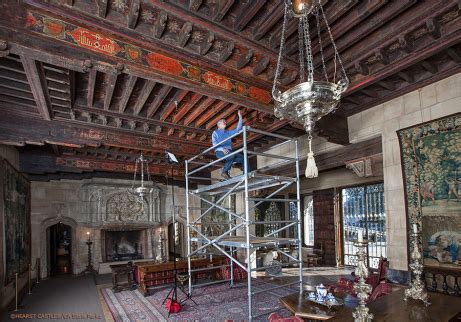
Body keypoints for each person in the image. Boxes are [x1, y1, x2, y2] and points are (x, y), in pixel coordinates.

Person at [212, 110, 250, 179]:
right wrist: (222, 149)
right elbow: (215, 144)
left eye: (225, 121)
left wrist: (240, 117)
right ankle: (224, 172)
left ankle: (246, 174)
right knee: (231, 155)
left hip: (230, 152)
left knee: (244, 158)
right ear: (219, 125)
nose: (225, 122)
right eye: (223, 122)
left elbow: (238, 129)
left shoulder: (228, 133)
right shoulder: (215, 133)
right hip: (220, 152)